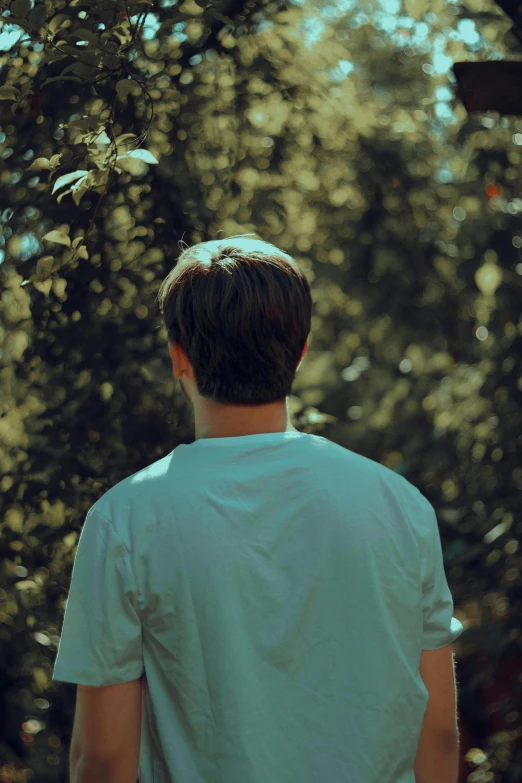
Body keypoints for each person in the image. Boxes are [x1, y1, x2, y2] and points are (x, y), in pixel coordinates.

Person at [52, 234, 463, 783]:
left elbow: (103, 760)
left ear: (178, 356)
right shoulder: (400, 506)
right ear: (300, 351)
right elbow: (437, 734)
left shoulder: (124, 520)